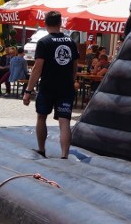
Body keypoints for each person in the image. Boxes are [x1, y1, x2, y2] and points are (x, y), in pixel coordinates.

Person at [22, 11, 80, 159]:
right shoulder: (70, 42)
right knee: (64, 120)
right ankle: (64, 155)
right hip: (66, 87)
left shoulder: (44, 42)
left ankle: (42, 149)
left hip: (48, 86)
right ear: (60, 23)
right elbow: (75, 66)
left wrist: (28, 90)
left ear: (45, 23)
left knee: (42, 116)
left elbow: (37, 67)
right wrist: (71, 81)